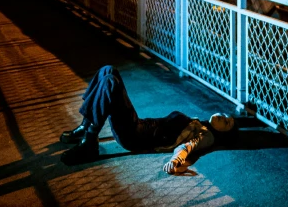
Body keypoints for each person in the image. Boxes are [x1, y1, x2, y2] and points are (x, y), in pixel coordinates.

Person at [59, 65, 236, 172]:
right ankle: (86, 125)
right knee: (108, 70)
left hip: (135, 137)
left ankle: (90, 140)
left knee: (110, 82)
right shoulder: (198, 121)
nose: (223, 117)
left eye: (227, 123)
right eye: (226, 115)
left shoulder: (207, 135)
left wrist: (176, 161)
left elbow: (188, 146)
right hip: (138, 125)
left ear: (223, 133)